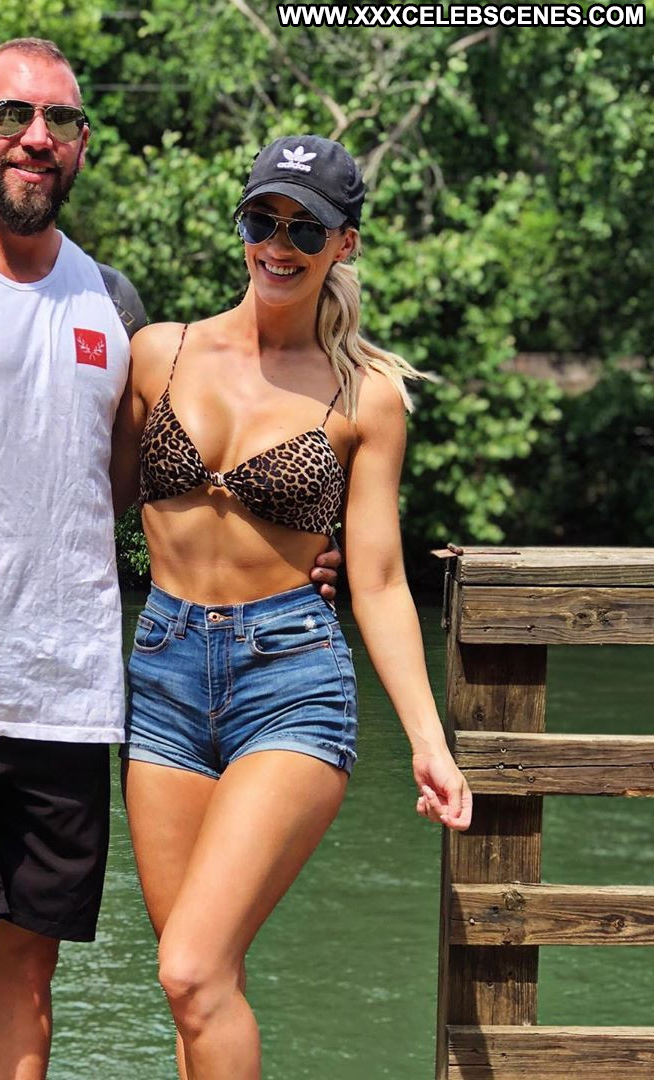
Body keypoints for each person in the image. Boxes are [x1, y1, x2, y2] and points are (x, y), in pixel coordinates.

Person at [0, 37, 343, 1080]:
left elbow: (147, 485)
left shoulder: (111, 307)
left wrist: (296, 554)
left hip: (69, 704)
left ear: (82, 144)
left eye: (61, 121)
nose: (37, 137)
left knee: (24, 979)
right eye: (12, 115)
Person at [108, 135, 473, 1080]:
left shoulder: (367, 394)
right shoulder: (158, 353)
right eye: (261, 220)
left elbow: (380, 582)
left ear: (343, 244)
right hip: (163, 675)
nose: (278, 244)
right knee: (197, 984)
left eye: (304, 229)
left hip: (291, 678)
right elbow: (92, 503)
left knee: (192, 970)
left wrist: (428, 742)